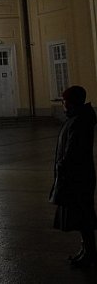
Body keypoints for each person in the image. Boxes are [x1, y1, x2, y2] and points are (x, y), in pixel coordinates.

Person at [50, 85, 97, 268]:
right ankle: (86, 250)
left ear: (70, 102)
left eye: (65, 100)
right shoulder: (78, 118)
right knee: (81, 215)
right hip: (79, 175)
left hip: (77, 176)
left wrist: (62, 167)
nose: (63, 104)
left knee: (83, 216)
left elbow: (73, 151)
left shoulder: (79, 121)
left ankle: (89, 252)